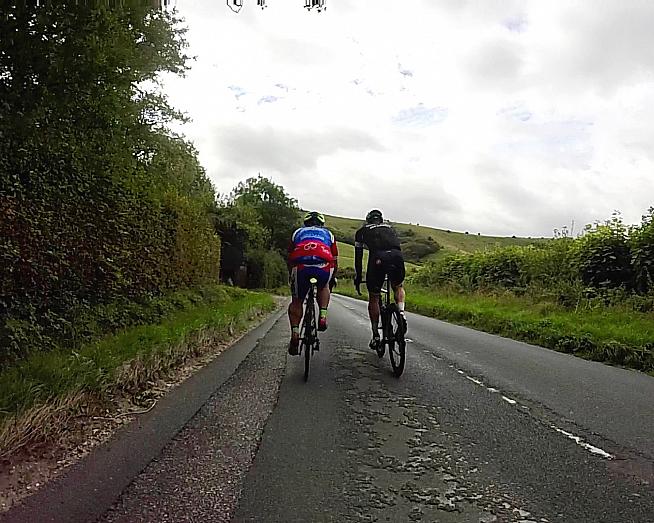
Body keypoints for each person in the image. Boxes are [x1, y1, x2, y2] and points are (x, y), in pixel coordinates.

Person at [287, 211, 338, 355]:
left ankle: (295, 334)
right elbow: (334, 259)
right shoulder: (329, 234)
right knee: (324, 286)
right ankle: (322, 316)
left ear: (306, 223)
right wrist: (332, 276)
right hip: (322, 266)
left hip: (301, 267)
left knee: (297, 302)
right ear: (322, 223)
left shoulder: (298, 232)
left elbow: (289, 255)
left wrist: (291, 274)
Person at [354, 209, 407, 349]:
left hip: (377, 259)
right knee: (398, 286)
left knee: (374, 297)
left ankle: (375, 335)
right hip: (397, 257)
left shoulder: (361, 231)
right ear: (381, 220)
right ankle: (401, 313)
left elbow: (358, 257)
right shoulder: (390, 228)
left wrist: (358, 277)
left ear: (368, 220)